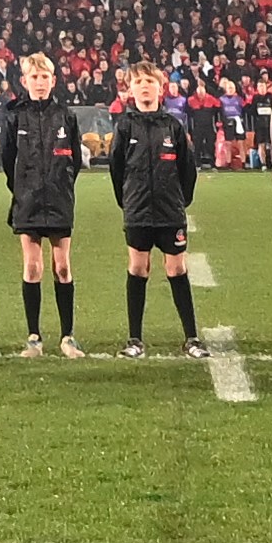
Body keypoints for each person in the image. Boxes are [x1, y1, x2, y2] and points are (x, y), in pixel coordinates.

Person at [99, 61, 203, 355]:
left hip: (170, 212)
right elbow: (116, 170)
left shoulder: (173, 126)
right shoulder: (124, 126)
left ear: (161, 87)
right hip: (138, 212)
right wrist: (129, 202)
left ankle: (192, 337)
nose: (145, 85)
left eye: (150, 81)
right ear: (130, 89)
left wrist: (180, 201)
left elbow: (188, 170)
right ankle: (134, 339)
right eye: (139, 81)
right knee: (138, 267)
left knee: (176, 267)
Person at [0, 48, 94, 355]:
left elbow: (75, 161)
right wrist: (23, 189)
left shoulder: (65, 116)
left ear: (53, 81)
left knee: (63, 267)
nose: (39, 82)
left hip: (59, 200)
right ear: (25, 81)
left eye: (44, 77)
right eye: (33, 77)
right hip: (27, 201)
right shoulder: (16, 116)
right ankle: (34, 337)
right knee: (32, 266)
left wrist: (60, 186)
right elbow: (7, 160)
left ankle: (67, 336)